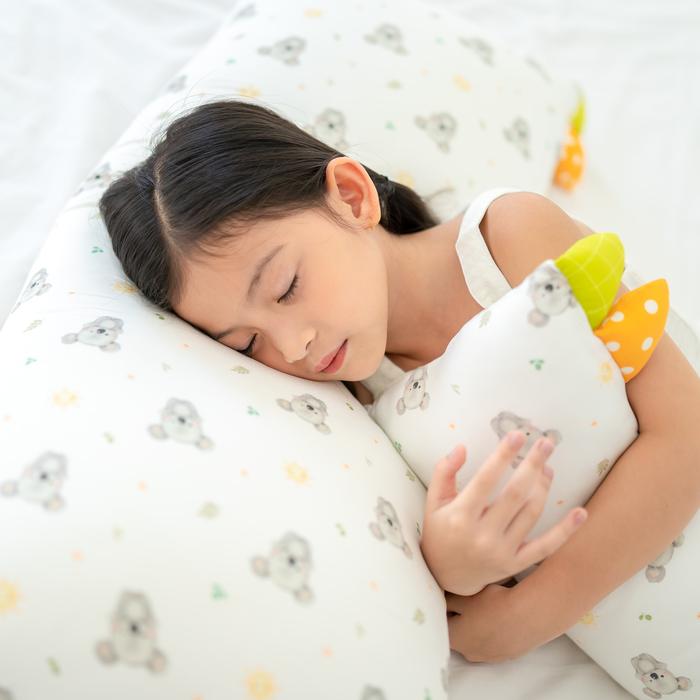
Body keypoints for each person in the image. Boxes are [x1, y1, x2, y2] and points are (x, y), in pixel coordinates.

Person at [98, 98, 700, 663]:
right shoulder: (356, 406)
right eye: (246, 344)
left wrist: (534, 611)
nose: (291, 346)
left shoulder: (507, 239)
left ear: (352, 196)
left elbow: (687, 429)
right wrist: (453, 568)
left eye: (285, 287)